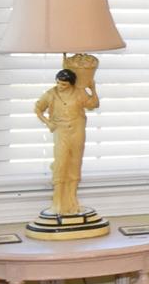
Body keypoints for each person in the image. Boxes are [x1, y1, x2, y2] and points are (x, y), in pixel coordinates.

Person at [34, 54, 100, 214]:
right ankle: (58, 200)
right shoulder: (51, 94)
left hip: (77, 129)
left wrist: (92, 89)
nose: (60, 86)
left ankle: (71, 199)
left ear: (71, 83)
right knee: (61, 161)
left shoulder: (79, 93)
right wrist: (48, 122)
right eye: (58, 83)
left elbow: (94, 104)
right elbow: (38, 108)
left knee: (75, 161)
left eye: (63, 84)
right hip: (61, 130)